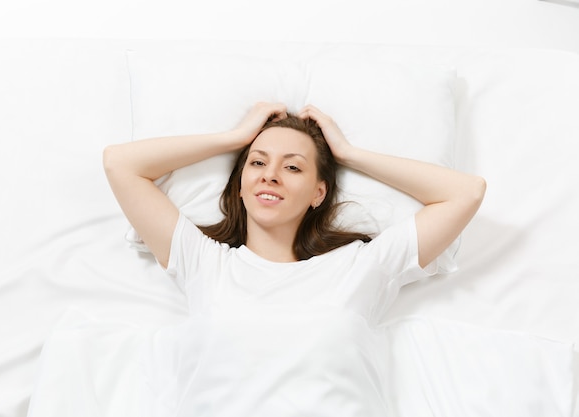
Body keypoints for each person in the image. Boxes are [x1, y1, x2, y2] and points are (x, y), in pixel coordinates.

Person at [102, 102, 486, 415]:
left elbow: (465, 192)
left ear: (319, 192)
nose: (270, 175)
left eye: (292, 166)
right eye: (257, 162)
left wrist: (349, 154)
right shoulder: (203, 261)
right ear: (239, 185)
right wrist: (233, 138)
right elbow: (121, 164)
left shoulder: (361, 266)